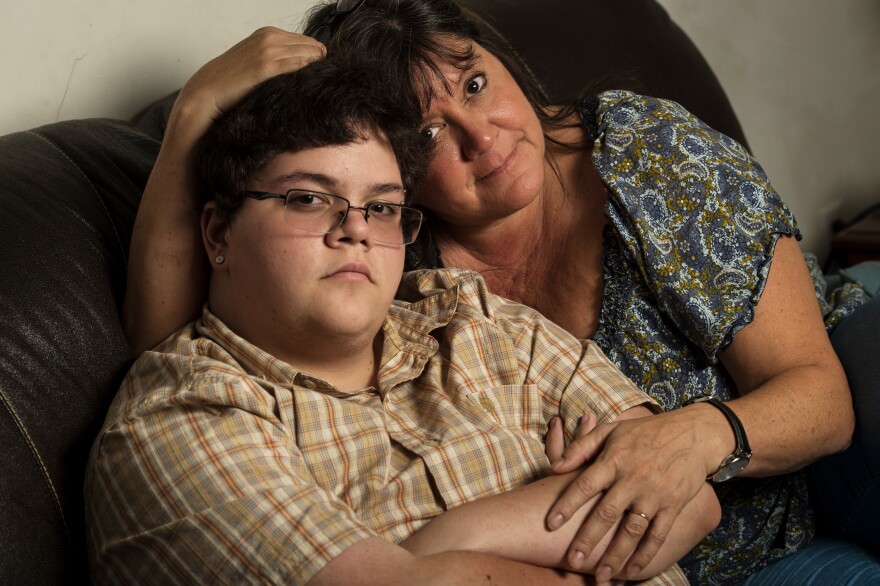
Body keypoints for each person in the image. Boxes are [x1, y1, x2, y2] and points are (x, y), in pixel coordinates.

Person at [121, 1, 880, 583]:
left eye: (477, 84)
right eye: (428, 135)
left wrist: (696, 435)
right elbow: (175, 349)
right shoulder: (396, 257)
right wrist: (192, 119)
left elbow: (821, 398)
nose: (483, 135)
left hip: (811, 433)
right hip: (700, 559)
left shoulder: (647, 157)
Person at [86, 57, 722, 585]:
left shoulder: (476, 319)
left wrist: (455, 541)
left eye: (384, 207)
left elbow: (692, 498)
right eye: (309, 198)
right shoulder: (182, 417)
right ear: (220, 232)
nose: (357, 229)